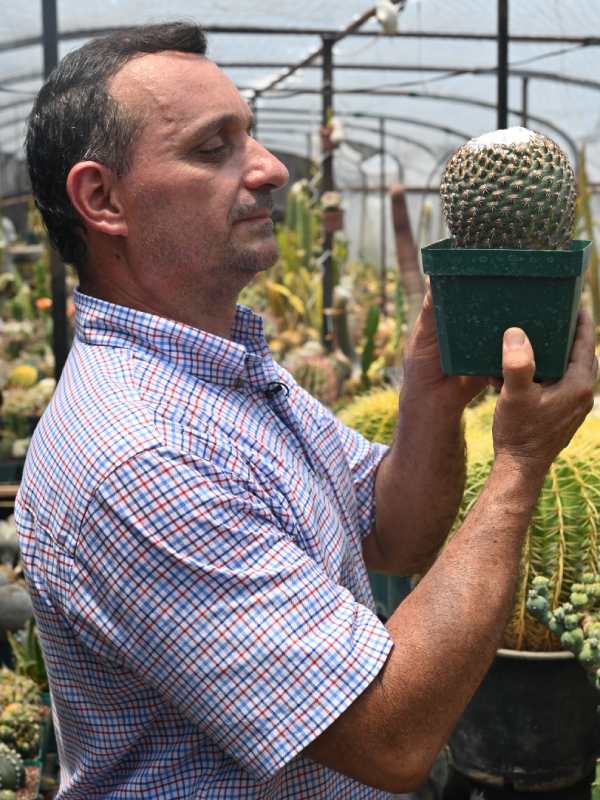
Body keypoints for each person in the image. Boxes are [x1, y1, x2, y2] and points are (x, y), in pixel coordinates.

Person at [16, 21, 597, 800]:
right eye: (213, 148)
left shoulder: (226, 374)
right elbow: (391, 736)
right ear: (102, 199)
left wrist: (432, 393)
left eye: (250, 135)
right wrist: (519, 468)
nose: (269, 168)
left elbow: (392, 531)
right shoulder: (139, 458)